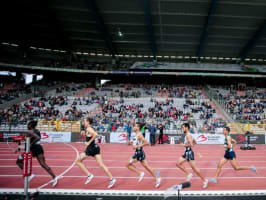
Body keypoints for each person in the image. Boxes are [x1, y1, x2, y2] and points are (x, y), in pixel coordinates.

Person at [76, 117, 116, 188]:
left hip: (90, 149)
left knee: (78, 161)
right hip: (95, 148)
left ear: (88, 122)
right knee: (101, 165)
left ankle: (89, 175)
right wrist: (84, 134)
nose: (84, 123)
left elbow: (96, 135)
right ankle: (112, 179)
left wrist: (88, 142)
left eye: (85, 121)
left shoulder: (89, 129)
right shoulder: (89, 128)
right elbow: (90, 135)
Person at [16, 120, 58, 187]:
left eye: (28, 124)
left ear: (30, 125)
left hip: (32, 149)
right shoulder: (37, 130)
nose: (27, 126)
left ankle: (29, 174)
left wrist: (31, 144)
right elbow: (26, 138)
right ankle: (54, 177)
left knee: (18, 161)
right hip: (38, 148)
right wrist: (18, 147)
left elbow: (37, 138)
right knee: (43, 164)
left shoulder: (29, 131)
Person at [126, 122, 161, 188]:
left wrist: (138, 146)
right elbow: (136, 141)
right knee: (147, 167)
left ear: (138, 128)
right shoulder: (136, 134)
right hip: (139, 152)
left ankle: (140, 173)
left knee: (127, 164)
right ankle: (157, 179)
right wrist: (130, 142)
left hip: (139, 153)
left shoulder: (139, 135)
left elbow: (147, 143)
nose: (134, 127)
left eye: (135, 126)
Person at [176, 123, 208, 189]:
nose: (183, 129)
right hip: (186, 153)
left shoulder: (188, 135)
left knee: (195, 169)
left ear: (187, 128)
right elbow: (195, 142)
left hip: (189, 153)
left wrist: (183, 145)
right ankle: (189, 173)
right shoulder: (189, 135)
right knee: (178, 164)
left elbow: (191, 144)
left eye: (183, 127)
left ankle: (205, 180)